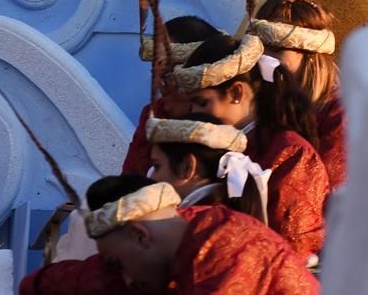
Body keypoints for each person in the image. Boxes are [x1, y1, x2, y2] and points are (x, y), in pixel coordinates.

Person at [177, 33, 329, 260]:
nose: (194, 115)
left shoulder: (291, 153)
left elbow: (291, 250)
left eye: (202, 103)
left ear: (237, 93)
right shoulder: (217, 145)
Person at [84, 175, 316, 294]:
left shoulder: (226, 251)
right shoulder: (196, 235)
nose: (128, 280)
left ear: (140, 236)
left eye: (119, 265)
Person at [250, 0, 345, 187]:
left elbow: (328, 191)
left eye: (276, 49)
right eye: (259, 47)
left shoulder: (341, 113)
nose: (263, 57)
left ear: (310, 53)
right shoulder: (253, 101)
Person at [123, 15, 221, 176]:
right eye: (156, 75)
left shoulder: (229, 129)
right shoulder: (154, 114)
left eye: (167, 76)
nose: (158, 87)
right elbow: (129, 179)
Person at [146, 112, 270, 220]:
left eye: (157, 166)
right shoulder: (230, 214)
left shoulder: (188, 225)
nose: (151, 176)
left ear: (187, 167)